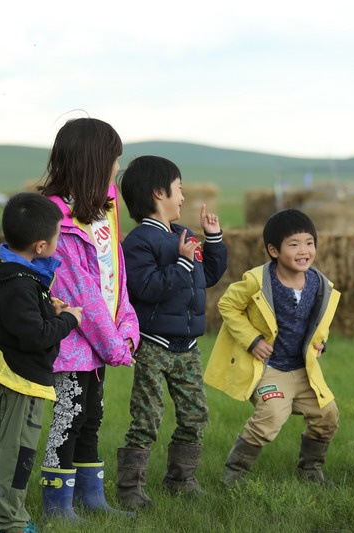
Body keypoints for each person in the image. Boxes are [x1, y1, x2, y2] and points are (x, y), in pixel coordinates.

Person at [39, 117, 140, 520]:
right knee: (69, 418)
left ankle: (91, 499)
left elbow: (116, 275)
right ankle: (57, 508)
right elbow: (79, 291)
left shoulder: (103, 213)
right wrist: (114, 343)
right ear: (94, 162)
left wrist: (127, 325)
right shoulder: (56, 219)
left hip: (101, 341)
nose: (118, 166)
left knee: (91, 416)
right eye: (114, 158)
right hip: (72, 341)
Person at [116, 155, 228, 509]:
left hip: (188, 346)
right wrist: (181, 262)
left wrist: (213, 241)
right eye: (179, 190)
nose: (182, 198)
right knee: (147, 417)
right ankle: (130, 488)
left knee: (196, 414)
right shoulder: (138, 243)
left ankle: (182, 479)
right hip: (153, 345)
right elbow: (145, 289)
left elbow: (205, 278)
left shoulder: (184, 235)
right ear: (157, 193)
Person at [204, 209, 341, 486]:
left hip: (303, 370)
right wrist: (252, 340)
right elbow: (227, 305)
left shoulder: (318, 283)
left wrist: (320, 342)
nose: (304, 251)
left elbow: (318, 319)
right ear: (273, 250)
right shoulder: (258, 281)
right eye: (294, 244)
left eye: (309, 243)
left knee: (328, 415)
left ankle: (310, 469)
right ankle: (235, 474)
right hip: (269, 369)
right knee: (271, 415)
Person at [0, 192, 83, 533]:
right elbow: (35, 336)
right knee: (18, 453)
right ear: (39, 246)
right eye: (56, 236)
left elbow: (20, 319)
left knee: (13, 447)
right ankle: (9, 522)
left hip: (14, 370)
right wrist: (70, 320)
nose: (58, 241)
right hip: (21, 377)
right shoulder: (20, 284)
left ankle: (9, 516)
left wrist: (47, 309)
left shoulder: (8, 271)